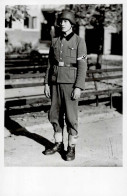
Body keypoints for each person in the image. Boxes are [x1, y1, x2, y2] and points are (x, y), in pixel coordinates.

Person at [44, 10, 87, 161]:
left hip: (70, 85)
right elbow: (50, 64)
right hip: (55, 83)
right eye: (61, 21)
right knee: (54, 115)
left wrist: (78, 87)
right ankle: (58, 143)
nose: (62, 24)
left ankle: (71, 147)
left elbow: (82, 66)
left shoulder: (79, 41)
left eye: (66, 21)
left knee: (71, 117)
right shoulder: (55, 41)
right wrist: (46, 83)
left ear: (72, 24)